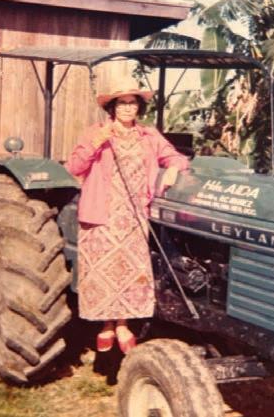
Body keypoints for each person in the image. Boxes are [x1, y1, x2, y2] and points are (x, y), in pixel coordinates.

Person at [66, 70, 189, 354]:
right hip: (101, 212)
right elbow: (74, 166)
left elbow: (175, 156)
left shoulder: (148, 135)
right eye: (121, 103)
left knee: (128, 270)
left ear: (139, 107)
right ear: (112, 107)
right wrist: (98, 141)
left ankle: (122, 324)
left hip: (134, 214)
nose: (127, 108)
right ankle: (106, 325)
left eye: (132, 103)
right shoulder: (97, 132)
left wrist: (172, 168)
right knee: (103, 270)